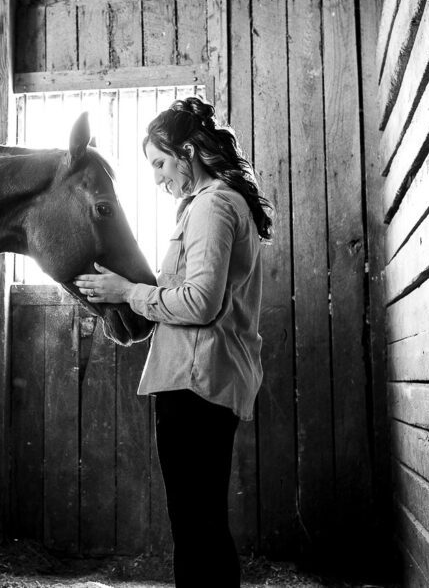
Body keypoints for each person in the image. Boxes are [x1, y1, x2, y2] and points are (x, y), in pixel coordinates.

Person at [75, 96, 272, 588]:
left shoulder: (212, 207)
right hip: (201, 378)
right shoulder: (214, 205)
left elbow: (201, 303)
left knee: (195, 525)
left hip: (196, 381)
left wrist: (128, 293)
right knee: (199, 523)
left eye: (161, 163)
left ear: (189, 152)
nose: (159, 177)